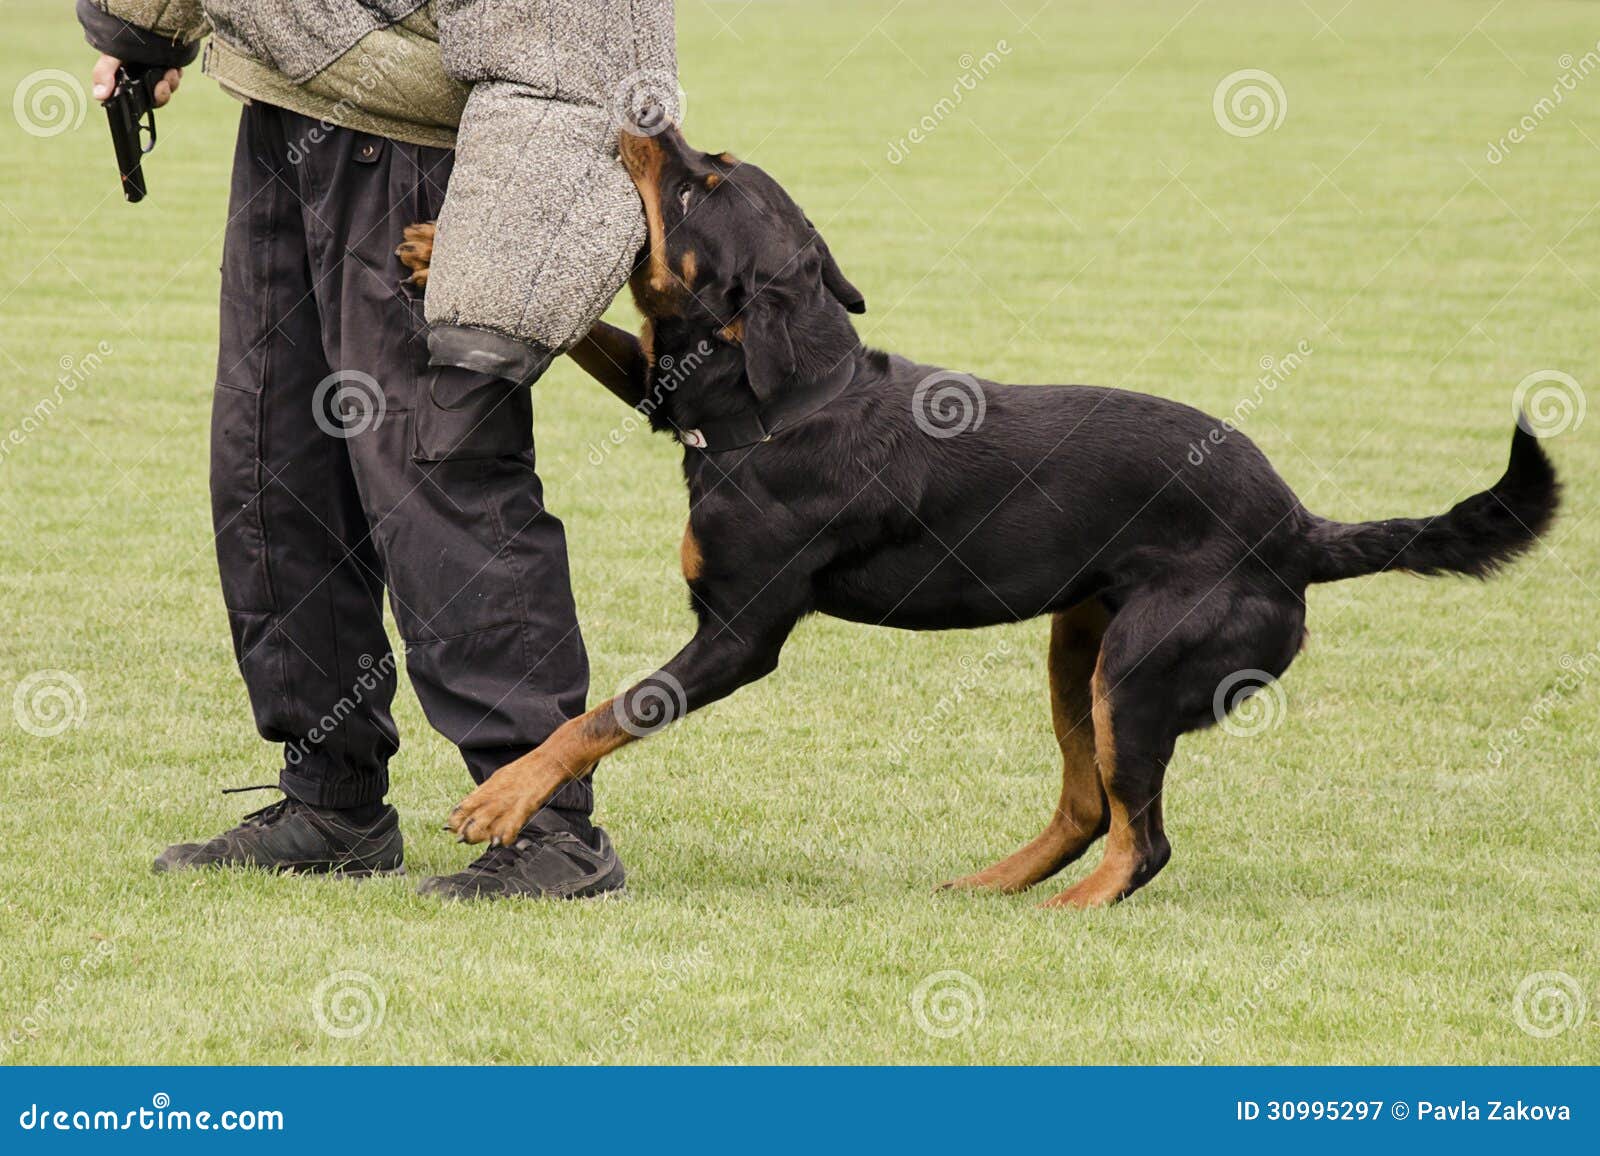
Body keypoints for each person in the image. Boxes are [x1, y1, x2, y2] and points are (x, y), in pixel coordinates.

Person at [76, 0, 677, 899]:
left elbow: (576, 47)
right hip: (286, 110)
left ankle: (548, 824)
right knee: (274, 466)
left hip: (434, 152)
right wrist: (145, 32)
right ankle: (332, 800)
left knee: (442, 473)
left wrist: (512, 257)